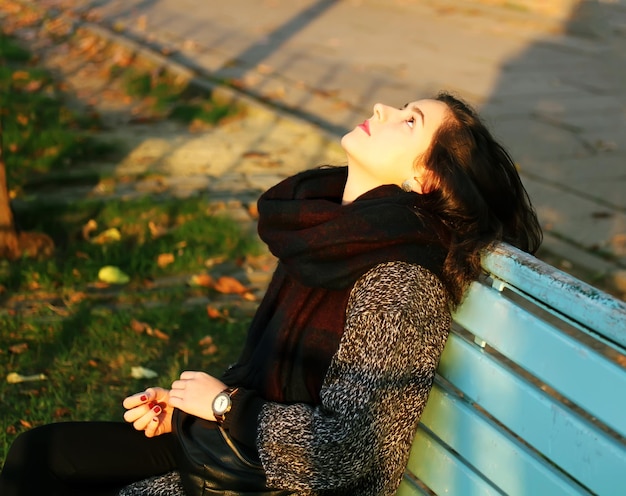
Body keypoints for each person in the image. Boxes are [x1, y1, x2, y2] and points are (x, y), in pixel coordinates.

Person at [0, 92, 542, 496]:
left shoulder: (400, 282)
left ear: (426, 179)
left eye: (408, 121)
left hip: (276, 480)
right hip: (243, 446)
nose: (381, 108)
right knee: (40, 454)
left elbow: (353, 451)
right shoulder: (331, 233)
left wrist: (221, 405)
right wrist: (184, 412)